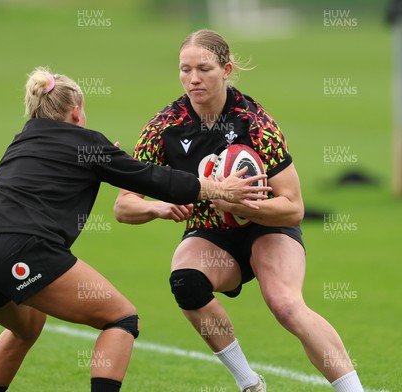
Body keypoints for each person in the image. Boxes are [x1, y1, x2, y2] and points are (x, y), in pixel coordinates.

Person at [0, 66, 269, 392]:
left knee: (27, 327)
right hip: (22, 250)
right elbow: (153, 178)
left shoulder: (21, 142)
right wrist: (218, 190)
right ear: (76, 112)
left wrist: (113, 168)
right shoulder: (87, 142)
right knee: (121, 319)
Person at [114, 30, 364, 392]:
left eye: (204, 68)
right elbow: (124, 206)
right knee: (186, 282)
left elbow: (293, 208)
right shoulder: (164, 128)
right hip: (212, 235)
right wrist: (158, 207)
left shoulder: (255, 123)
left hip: (267, 227)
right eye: (185, 70)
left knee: (286, 305)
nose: (193, 79)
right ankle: (249, 383)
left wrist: (243, 204)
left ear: (226, 69)